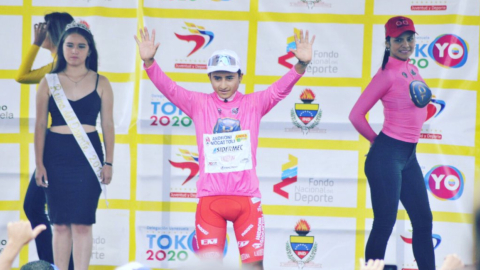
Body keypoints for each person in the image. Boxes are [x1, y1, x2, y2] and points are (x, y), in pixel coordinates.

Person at [134, 27, 314, 269]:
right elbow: (170, 89)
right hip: (210, 201)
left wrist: (300, 66)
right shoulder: (198, 103)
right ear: (209, 79)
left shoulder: (254, 103)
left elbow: (280, 89)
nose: (223, 84)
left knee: (254, 267)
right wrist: (150, 61)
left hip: (247, 201)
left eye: (229, 77)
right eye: (217, 78)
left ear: (241, 77)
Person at [349, 16, 435, 270]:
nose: (406, 44)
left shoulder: (411, 67)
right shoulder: (386, 75)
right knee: (384, 224)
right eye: (399, 40)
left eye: (410, 38)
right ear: (388, 43)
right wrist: (378, 143)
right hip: (387, 156)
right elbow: (355, 115)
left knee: (423, 221)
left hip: (408, 157)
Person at [34, 20, 114, 270]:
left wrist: (109, 162)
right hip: (55, 154)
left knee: (81, 223)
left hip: (87, 156)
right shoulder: (48, 81)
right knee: (58, 223)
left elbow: (109, 125)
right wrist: (39, 163)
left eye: (81, 46)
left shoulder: (102, 82)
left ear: (90, 50)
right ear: (62, 48)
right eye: (69, 45)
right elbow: (39, 125)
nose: (75, 51)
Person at [15, 12, 74, 267]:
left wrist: (37, 43)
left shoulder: (66, 67)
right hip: (53, 146)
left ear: (55, 33)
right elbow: (21, 76)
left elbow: (22, 76)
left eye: (44, 30)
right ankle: (54, 264)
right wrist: (38, 43)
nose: (40, 32)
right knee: (37, 208)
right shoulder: (53, 66)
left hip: (64, 147)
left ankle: (59, 265)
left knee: (56, 214)